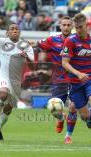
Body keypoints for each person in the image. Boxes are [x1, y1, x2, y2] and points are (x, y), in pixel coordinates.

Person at [62, 13, 91, 148]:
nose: (78, 30)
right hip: (75, 83)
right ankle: (88, 119)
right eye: (76, 27)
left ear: (86, 26)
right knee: (84, 115)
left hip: (90, 79)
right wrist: (78, 73)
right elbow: (64, 63)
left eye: (80, 27)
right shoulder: (70, 41)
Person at [37, 16, 77, 144]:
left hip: (74, 79)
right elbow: (38, 45)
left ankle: (68, 136)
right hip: (58, 80)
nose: (66, 27)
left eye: (68, 25)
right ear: (60, 26)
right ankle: (60, 118)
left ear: (72, 26)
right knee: (54, 108)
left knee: (73, 107)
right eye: (64, 25)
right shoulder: (52, 40)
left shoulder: (78, 40)